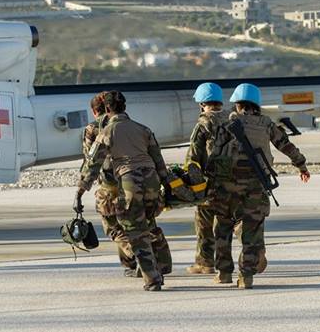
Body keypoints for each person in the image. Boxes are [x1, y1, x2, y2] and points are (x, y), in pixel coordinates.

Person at [211, 83, 310, 289]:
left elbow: (214, 151)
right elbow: (286, 145)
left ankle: (224, 273)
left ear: (237, 104)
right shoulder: (266, 124)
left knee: (222, 228)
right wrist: (301, 165)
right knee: (251, 232)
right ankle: (246, 277)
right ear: (257, 104)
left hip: (227, 185)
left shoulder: (226, 123)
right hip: (255, 185)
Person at [77, 91, 172, 291]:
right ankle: (161, 267)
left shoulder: (106, 132)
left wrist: (80, 190)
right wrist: (168, 186)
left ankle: (153, 279)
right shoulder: (143, 129)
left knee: (135, 233)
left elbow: (92, 164)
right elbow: (159, 162)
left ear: (108, 109)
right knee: (147, 224)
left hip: (130, 182)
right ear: (125, 107)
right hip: (152, 182)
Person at [80, 92, 137, 275]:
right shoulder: (128, 125)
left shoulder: (93, 129)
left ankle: (134, 258)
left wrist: (82, 187)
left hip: (109, 183)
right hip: (133, 180)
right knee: (135, 223)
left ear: (95, 110)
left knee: (113, 227)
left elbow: (90, 159)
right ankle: (136, 263)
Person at [183, 82, 226, 275]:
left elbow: (193, 159)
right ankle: (254, 253)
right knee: (232, 221)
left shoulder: (203, 123)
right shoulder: (233, 119)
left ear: (202, 104)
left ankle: (205, 263)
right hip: (236, 181)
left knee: (204, 223)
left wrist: (193, 187)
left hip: (211, 183)